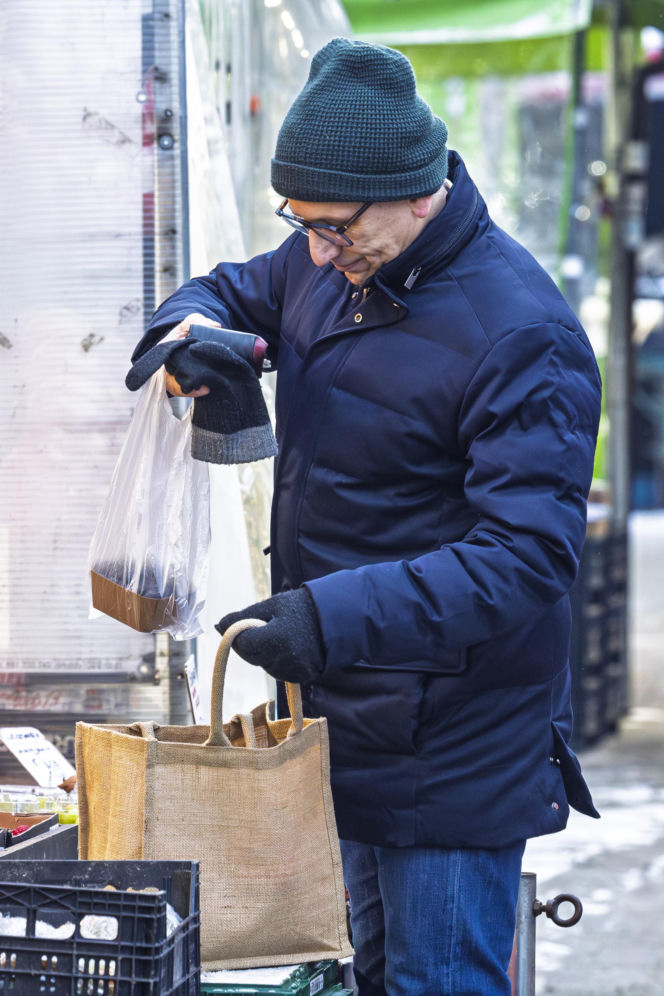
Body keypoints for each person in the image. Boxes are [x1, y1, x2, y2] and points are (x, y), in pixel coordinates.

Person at [131, 38, 602, 996]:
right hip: (347, 721)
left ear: (416, 192)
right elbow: (228, 284)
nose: (313, 249)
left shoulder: (524, 333)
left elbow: (524, 559)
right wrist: (194, 337)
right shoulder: (329, 259)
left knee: (435, 982)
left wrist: (324, 619)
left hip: (457, 746)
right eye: (297, 224)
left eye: (334, 228)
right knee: (359, 976)